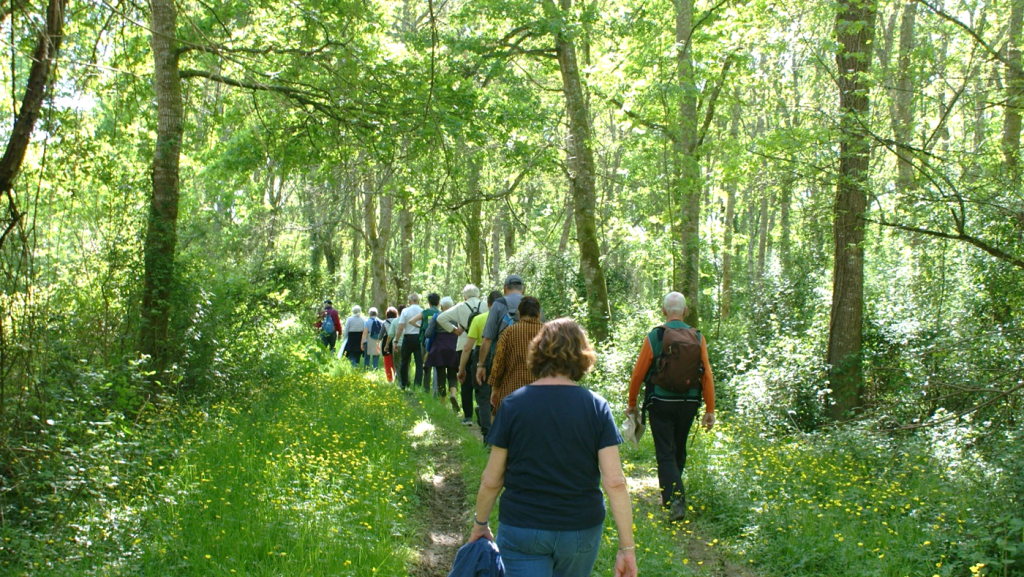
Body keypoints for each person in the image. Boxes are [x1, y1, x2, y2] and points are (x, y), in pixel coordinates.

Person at [468, 318, 637, 577]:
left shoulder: (513, 405)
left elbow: (492, 480)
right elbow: (615, 482)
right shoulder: (596, 406)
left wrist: (480, 523)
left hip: (522, 527)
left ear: (537, 353)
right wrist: (627, 549)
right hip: (580, 530)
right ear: (582, 355)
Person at [625, 291, 715, 521]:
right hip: (689, 401)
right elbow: (706, 375)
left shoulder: (656, 336)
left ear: (664, 310)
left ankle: (675, 500)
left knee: (665, 451)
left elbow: (638, 374)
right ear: (685, 311)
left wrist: (632, 404)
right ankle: (674, 495)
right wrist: (709, 410)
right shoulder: (698, 337)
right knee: (679, 448)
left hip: (661, 402)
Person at [439, 285, 487, 423]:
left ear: (464, 296)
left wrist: (454, 329)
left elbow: (441, 318)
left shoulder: (460, 307)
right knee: (482, 379)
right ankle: (481, 407)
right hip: (482, 345)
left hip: (463, 345)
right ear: (478, 294)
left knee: (465, 380)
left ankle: (468, 416)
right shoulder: (485, 305)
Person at [488, 296, 543, 415]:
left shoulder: (508, 332)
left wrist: (495, 388)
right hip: (542, 394)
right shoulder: (549, 333)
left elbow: (498, 363)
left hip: (512, 392)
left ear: (519, 313)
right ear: (538, 314)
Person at [459, 290, 502, 435]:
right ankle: (499, 432)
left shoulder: (478, 319)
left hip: (480, 355)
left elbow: (467, 348)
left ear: (488, 304)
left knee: (483, 396)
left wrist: (461, 369)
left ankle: (487, 434)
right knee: (500, 393)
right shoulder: (506, 319)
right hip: (501, 355)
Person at [475, 274, 526, 389]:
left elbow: (487, 338)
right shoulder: (533, 304)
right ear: (523, 289)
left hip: (502, 361)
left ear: (504, 288)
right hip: (528, 361)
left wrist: (481, 365)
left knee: (500, 395)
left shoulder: (498, 304)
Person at [425, 296, 461, 411]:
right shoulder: (457, 317)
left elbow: (428, 333)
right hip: (453, 347)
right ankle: (453, 394)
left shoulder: (436, 317)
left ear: (441, 306)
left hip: (439, 348)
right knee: (452, 373)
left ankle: (443, 402)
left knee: (441, 375)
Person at [395, 294, 424, 391]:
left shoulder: (405, 311)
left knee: (404, 361)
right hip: (418, 338)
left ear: (409, 301)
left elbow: (400, 327)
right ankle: (417, 384)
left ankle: (404, 383)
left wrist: (396, 341)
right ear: (418, 301)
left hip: (407, 338)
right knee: (419, 362)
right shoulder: (422, 311)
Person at [380, 307, 399, 381]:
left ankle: (389, 379)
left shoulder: (385, 323)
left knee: (387, 362)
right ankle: (397, 377)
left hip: (387, 342)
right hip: (396, 341)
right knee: (396, 361)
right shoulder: (398, 321)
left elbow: (380, 335)